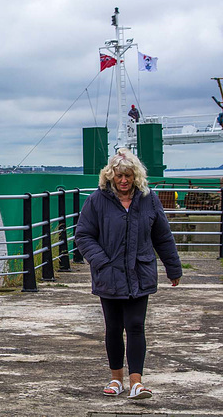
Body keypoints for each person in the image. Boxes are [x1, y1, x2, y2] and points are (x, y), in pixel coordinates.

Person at [75, 148, 182, 400]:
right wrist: (102, 261)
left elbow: (162, 236)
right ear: (110, 177)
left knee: (135, 326)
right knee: (113, 328)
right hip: (108, 275)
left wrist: (173, 267)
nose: (124, 181)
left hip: (139, 272)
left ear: (136, 176)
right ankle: (116, 379)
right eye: (119, 176)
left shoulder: (149, 199)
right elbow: (83, 234)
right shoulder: (97, 200)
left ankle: (137, 383)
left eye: (128, 176)